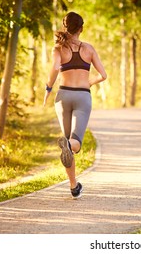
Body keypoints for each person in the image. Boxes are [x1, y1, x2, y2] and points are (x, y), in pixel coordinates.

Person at [43, 12, 107, 199]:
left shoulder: (58, 48)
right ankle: (69, 147)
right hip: (82, 97)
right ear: (81, 28)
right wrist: (89, 82)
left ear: (65, 27)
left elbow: (55, 70)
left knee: (67, 146)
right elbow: (103, 75)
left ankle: (73, 186)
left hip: (62, 97)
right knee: (75, 143)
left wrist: (48, 89)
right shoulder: (89, 49)